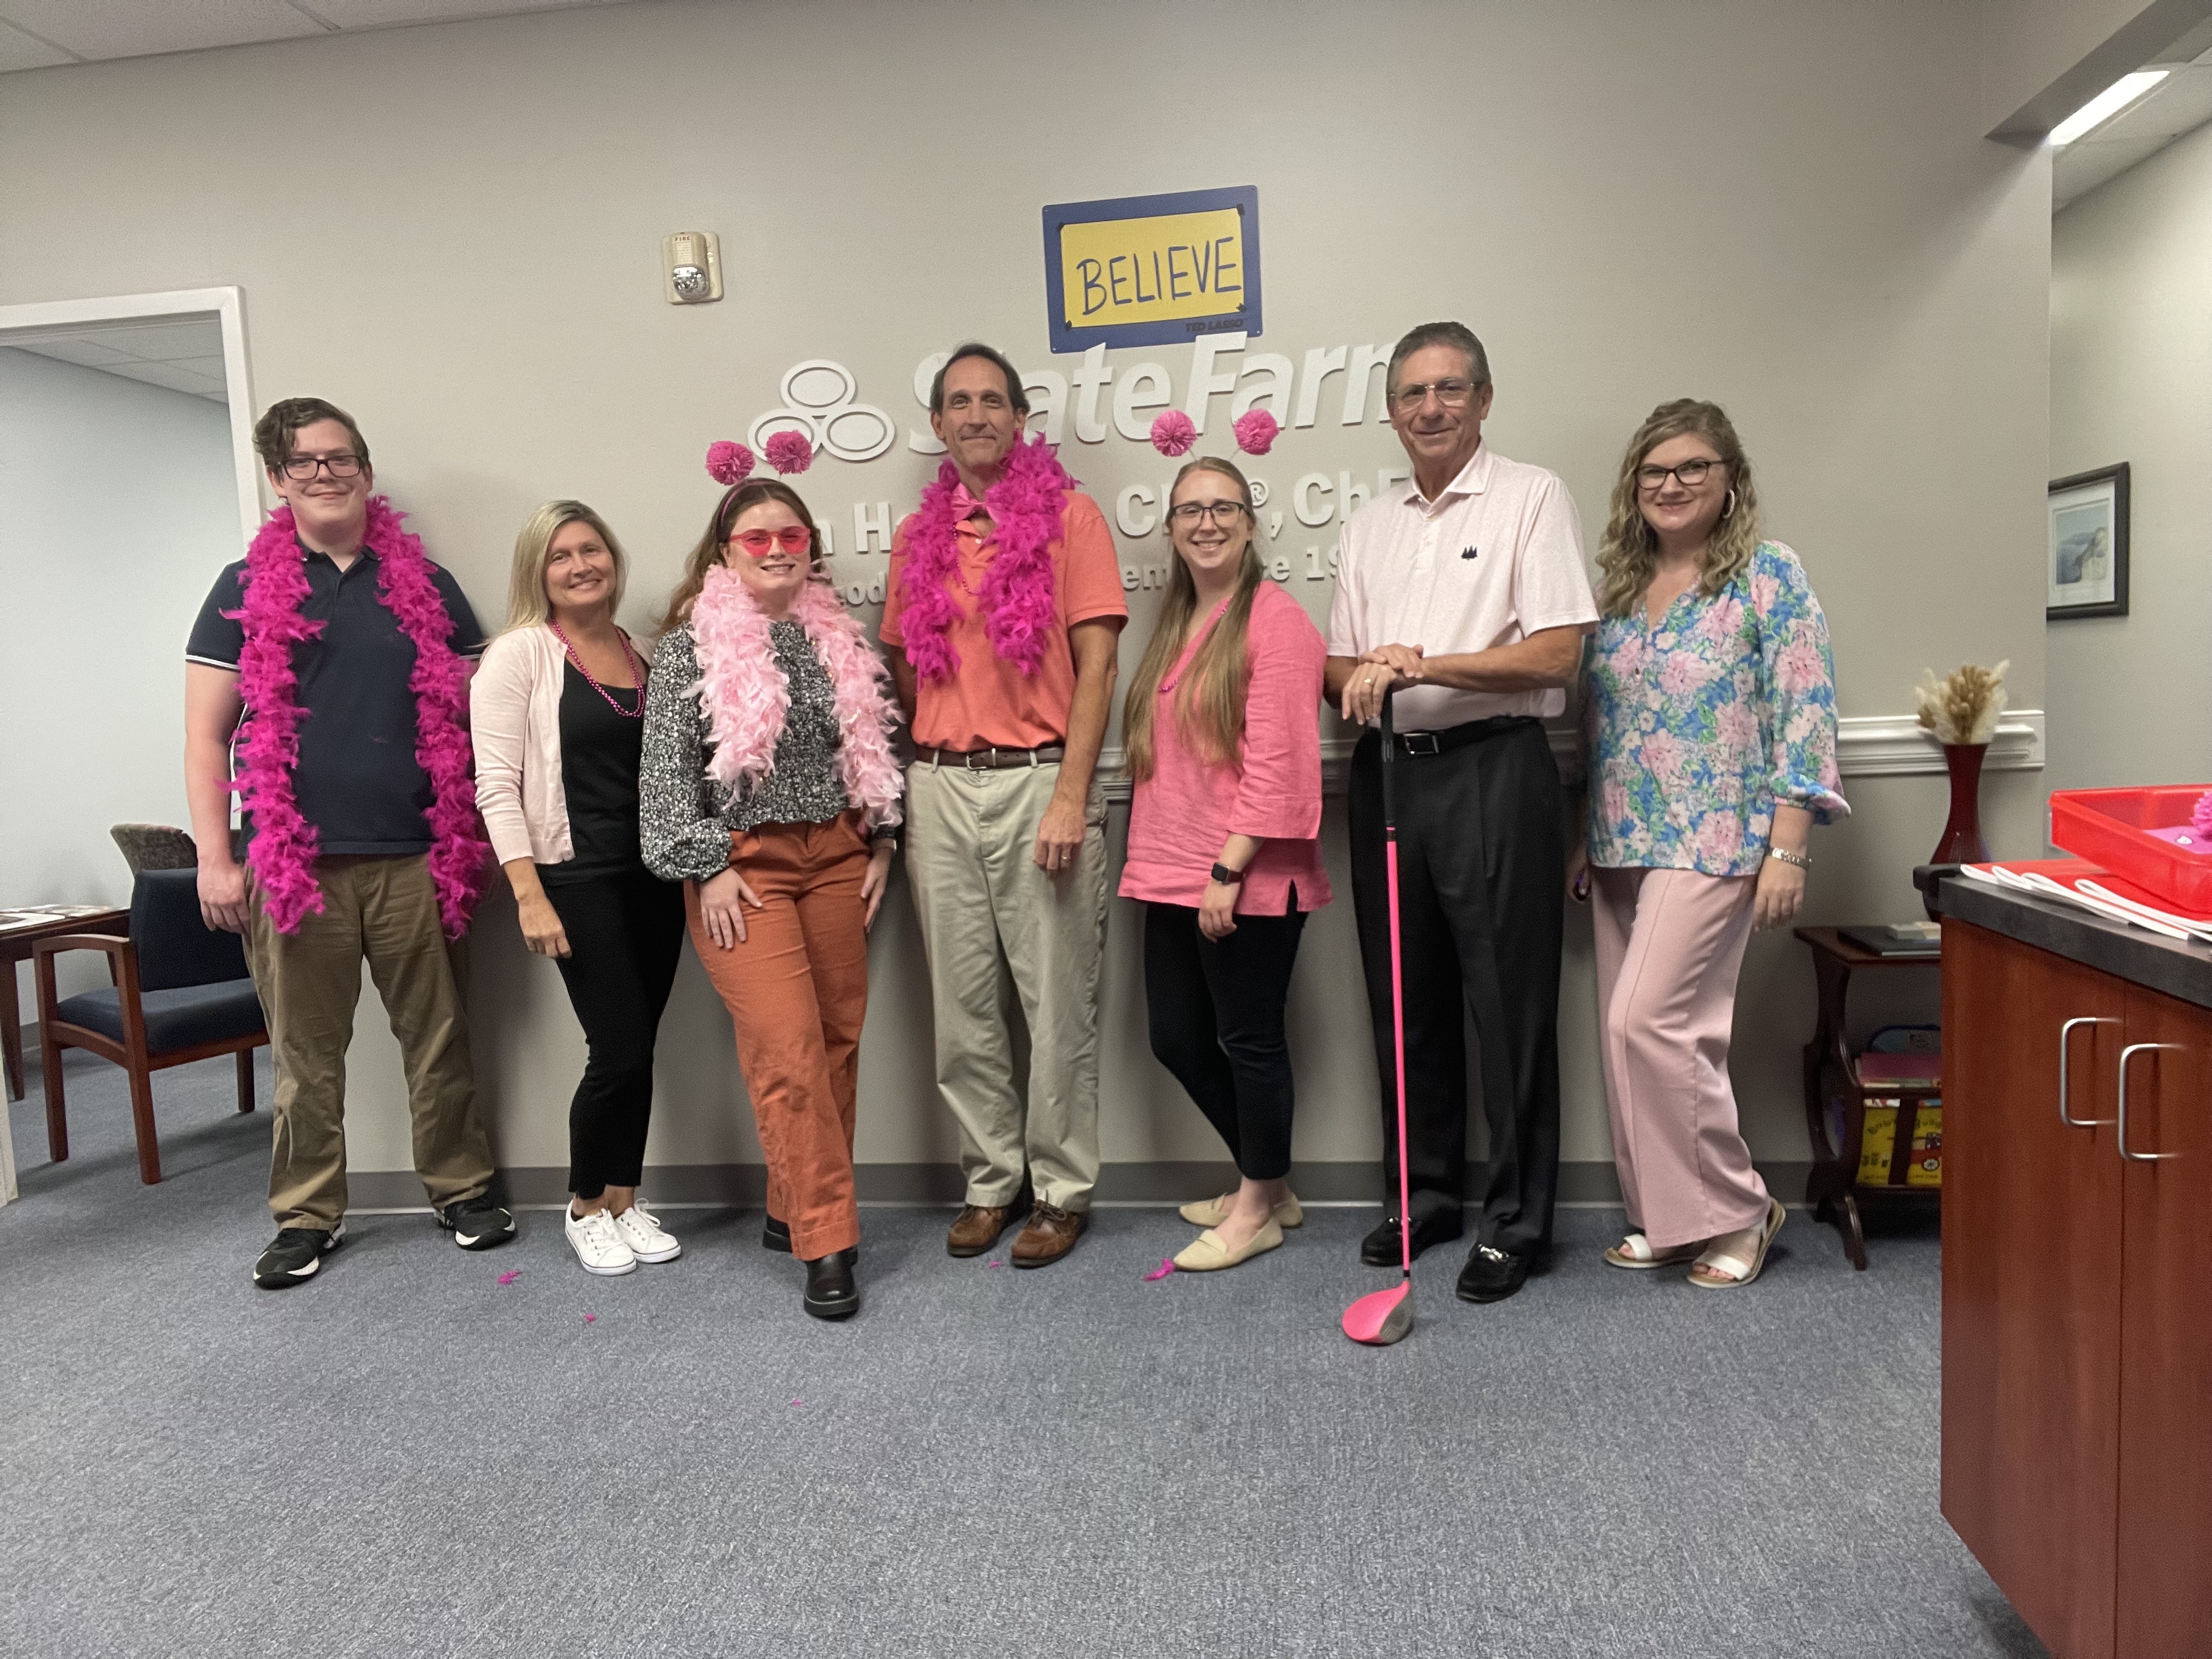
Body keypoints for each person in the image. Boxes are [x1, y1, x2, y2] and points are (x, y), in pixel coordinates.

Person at [184, 397, 512, 1289]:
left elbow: (482, 718)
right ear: (278, 478)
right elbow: (206, 737)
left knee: (439, 1038)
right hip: (292, 865)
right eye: (305, 462)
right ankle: (306, 1217)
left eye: (340, 458)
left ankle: (462, 1190)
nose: (325, 474)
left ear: (365, 471)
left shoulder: (428, 584)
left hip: (419, 855)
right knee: (306, 1055)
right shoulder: (240, 588)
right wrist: (216, 859)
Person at [1325, 321, 1597, 1306]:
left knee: (1508, 1007)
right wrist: (1366, 675)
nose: (1430, 408)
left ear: (1484, 399)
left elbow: (1558, 652)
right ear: (1392, 412)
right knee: (1405, 999)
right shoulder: (1370, 525)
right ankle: (1425, 1193)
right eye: (1412, 393)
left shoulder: (1532, 496)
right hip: (1391, 773)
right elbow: (1340, 664)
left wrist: (1419, 664)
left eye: (1449, 389)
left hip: (1495, 768)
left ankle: (1516, 1220)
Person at [1577, 399, 1846, 1288]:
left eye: (1693, 466)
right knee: (1631, 1037)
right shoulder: (1616, 588)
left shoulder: (1768, 575)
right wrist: (1582, 834)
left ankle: (1738, 1208)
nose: (1672, 484)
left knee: (1647, 1020)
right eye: (1655, 471)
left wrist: (1789, 846)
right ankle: (1669, 1216)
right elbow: (1596, 724)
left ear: (1730, 480)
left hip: (1718, 834)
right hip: (1620, 836)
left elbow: (1804, 707)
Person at [878, 342, 1127, 1268]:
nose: (976, 415)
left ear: (1020, 419)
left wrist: (1070, 795)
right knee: (963, 1007)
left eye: (993, 401)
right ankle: (991, 1181)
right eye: (959, 402)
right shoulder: (919, 536)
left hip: (1040, 781)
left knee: (1057, 1004)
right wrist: (944, 748)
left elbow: (1099, 666)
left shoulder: (1072, 517)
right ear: (938, 424)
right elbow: (905, 665)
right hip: (942, 786)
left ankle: (1060, 1191)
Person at [640, 473, 902, 1320]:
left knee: (835, 1041)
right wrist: (705, 864)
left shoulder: (837, 637)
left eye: (792, 535)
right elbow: (665, 784)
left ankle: (793, 1207)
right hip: (743, 865)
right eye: (758, 537)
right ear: (727, 552)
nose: (778, 549)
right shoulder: (690, 648)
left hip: (836, 855)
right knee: (786, 1051)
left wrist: (883, 840)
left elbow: (870, 748)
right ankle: (828, 1242)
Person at [1120, 457, 1330, 1272]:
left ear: (1249, 523)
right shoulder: (1179, 621)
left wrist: (1229, 871)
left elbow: (1281, 764)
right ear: (1171, 529)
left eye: (1223, 508)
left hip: (1242, 876)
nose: (1206, 523)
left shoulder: (1276, 621)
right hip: (1171, 869)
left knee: (1250, 1041)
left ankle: (1257, 1208)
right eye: (1189, 511)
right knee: (1176, 1037)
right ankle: (1266, 1183)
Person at [472, 501, 686, 1278]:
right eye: (560, 555)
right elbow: (495, 786)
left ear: (613, 559)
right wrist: (529, 895)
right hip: (575, 876)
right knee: (616, 1046)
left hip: (655, 877)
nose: (579, 565)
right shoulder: (519, 655)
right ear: (539, 572)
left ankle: (625, 1199)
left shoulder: (643, 654)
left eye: (591, 549)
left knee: (639, 1046)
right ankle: (585, 1206)